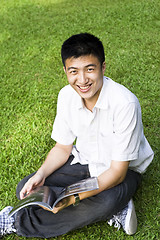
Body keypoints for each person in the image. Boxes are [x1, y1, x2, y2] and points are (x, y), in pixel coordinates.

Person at [0, 33, 154, 238]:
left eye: (90, 69)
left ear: (103, 67)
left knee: (105, 201)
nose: (82, 80)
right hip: (83, 162)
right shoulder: (66, 96)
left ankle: (16, 221)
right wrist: (41, 174)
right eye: (74, 71)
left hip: (123, 171)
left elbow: (117, 172)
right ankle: (113, 209)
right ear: (65, 71)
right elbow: (62, 148)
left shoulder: (125, 103)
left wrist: (72, 199)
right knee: (28, 187)